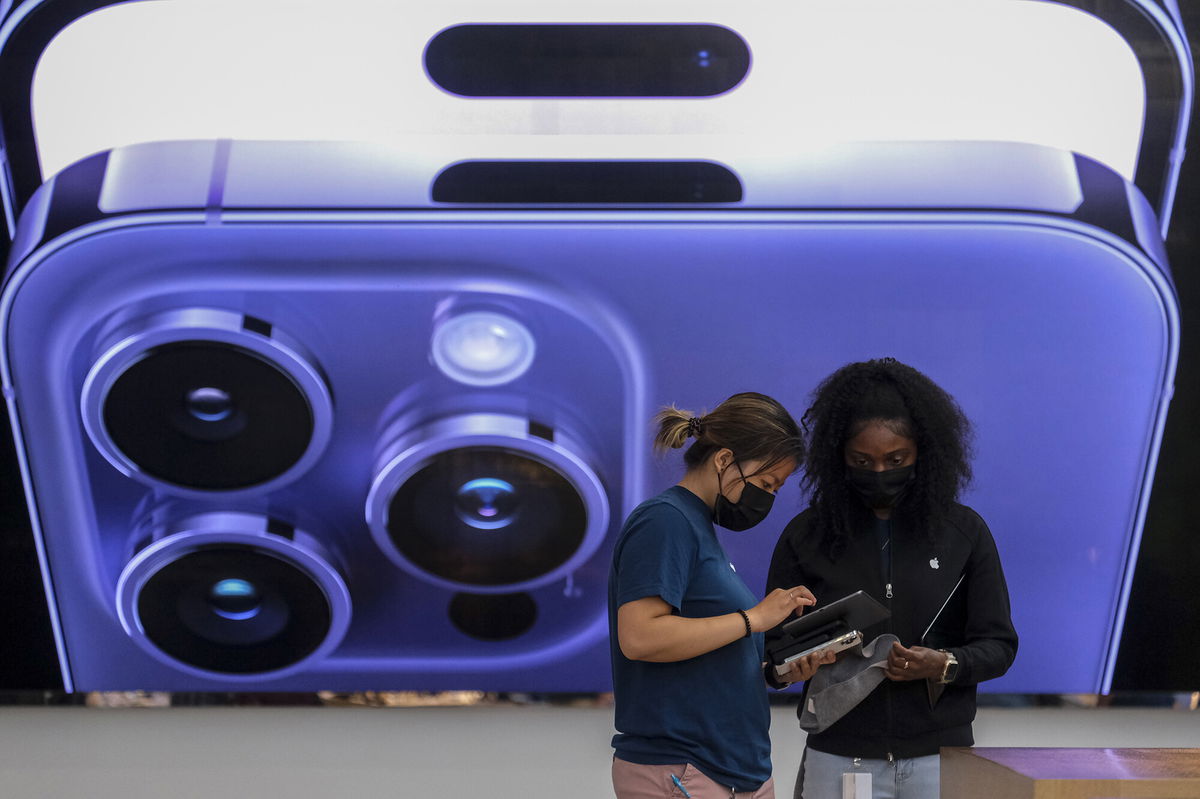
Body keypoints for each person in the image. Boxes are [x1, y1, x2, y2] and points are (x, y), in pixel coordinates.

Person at [766, 358, 1017, 799]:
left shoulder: (964, 533)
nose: (880, 472)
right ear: (837, 457)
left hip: (941, 757)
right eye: (862, 460)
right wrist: (790, 669)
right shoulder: (806, 536)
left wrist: (943, 664)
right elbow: (771, 655)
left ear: (924, 451)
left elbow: (999, 646)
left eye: (895, 459)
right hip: (839, 758)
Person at [609, 392, 836, 799]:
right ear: (723, 460)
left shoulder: (695, 526)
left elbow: (708, 652)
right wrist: (754, 619)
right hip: (687, 769)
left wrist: (777, 671)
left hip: (729, 771)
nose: (766, 498)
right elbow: (640, 637)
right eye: (766, 483)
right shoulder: (666, 521)